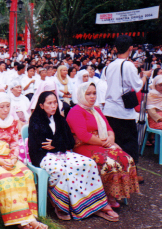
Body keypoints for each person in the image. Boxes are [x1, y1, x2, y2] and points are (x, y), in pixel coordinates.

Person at [28, 91, 119, 222]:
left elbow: (70, 141)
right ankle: (61, 205)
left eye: (55, 102)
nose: (53, 106)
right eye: (49, 103)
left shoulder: (59, 119)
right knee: (61, 170)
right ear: (42, 105)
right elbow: (39, 145)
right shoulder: (35, 120)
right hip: (43, 156)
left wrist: (56, 143)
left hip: (62, 152)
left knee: (88, 163)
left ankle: (98, 205)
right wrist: (58, 143)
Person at [0, 93, 48, 229]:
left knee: (26, 174)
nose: (5, 110)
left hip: (8, 156)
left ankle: (24, 221)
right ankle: (28, 221)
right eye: (1, 107)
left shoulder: (12, 121)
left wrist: (14, 158)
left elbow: (15, 142)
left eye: (8, 106)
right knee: (6, 178)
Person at [67, 82, 139, 208]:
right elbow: (83, 135)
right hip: (83, 145)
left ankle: (115, 193)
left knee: (125, 158)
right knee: (108, 162)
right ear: (80, 95)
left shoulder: (96, 110)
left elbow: (109, 128)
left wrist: (111, 139)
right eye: (88, 94)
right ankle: (104, 196)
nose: (92, 97)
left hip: (101, 142)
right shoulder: (75, 111)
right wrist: (106, 143)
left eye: (94, 93)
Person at [103, 35, 151, 167]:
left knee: (114, 143)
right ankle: (132, 172)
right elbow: (137, 86)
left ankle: (115, 170)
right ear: (131, 48)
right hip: (123, 111)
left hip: (109, 109)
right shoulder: (128, 65)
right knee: (129, 143)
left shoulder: (110, 65)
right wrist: (145, 76)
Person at [146, 75, 162, 164]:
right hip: (156, 122)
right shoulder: (150, 95)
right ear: (155, 85)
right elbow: (153, 113)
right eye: (160, 85)